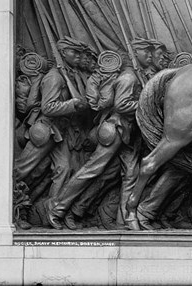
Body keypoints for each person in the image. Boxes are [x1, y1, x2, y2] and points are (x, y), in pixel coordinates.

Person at [47, 40, 151, 230]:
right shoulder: (128, 78)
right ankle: (57, 208)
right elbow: (121, 105)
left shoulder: (134, 76)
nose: (151, 57)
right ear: (135, 56)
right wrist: (147, 104)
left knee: (130, 174)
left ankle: (125, 220)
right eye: (147, 52)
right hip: (115, 129)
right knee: (91, 170)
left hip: (129, 133)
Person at [14, 37, 89, 202]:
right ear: (62, 53)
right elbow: (48, 107)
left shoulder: (69, 75)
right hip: (45, 130)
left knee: (64, 168)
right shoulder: (55, 77)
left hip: (59, 132)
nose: (78, 56)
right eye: (74, 52)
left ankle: (51, 209)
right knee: (23, 170)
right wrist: (72, 105)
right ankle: (2, 201)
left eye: (79, 53)